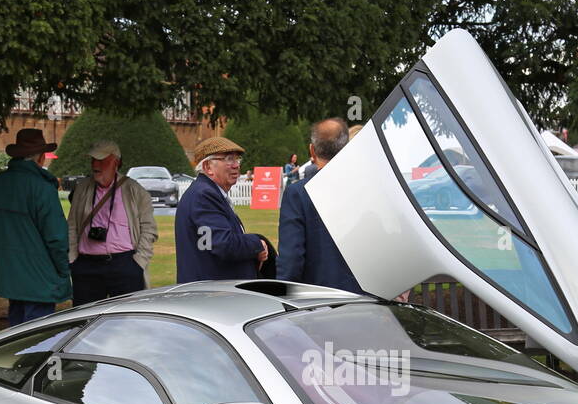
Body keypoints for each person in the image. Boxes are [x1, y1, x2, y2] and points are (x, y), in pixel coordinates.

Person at [0, 128, 71, 326]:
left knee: (16, 334)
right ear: (40, 157)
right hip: (39, 275)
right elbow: (56, 237)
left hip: (11, 272)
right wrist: (64, 269)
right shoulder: (40, 187)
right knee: (36, 338)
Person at [66, 139, 157, 305]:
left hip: (124, 265)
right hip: (86, 267)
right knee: (86, 322)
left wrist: (138, 263)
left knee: (126, 321)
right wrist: (73, 259)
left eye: (101, 160)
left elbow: (149, 229)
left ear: (116, 161)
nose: (95, 164)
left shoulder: (134, 190)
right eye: (93, 159)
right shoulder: (83, 188)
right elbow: (71, 225)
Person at [277, 118, 360, 291]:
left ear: (312, 150)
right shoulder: (365, 189)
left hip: (317, 302)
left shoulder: (298, 194)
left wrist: (284, 297)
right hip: (366, 299)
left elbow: (291, 260)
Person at [175, 136, 271, 283]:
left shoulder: (206, 193)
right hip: (212, 295)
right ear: (208, 167)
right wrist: (257, 243)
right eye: (228, 159)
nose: (236, 165)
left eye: (237, 159)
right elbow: (223, 244)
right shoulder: (204, 195)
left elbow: (212, 242)